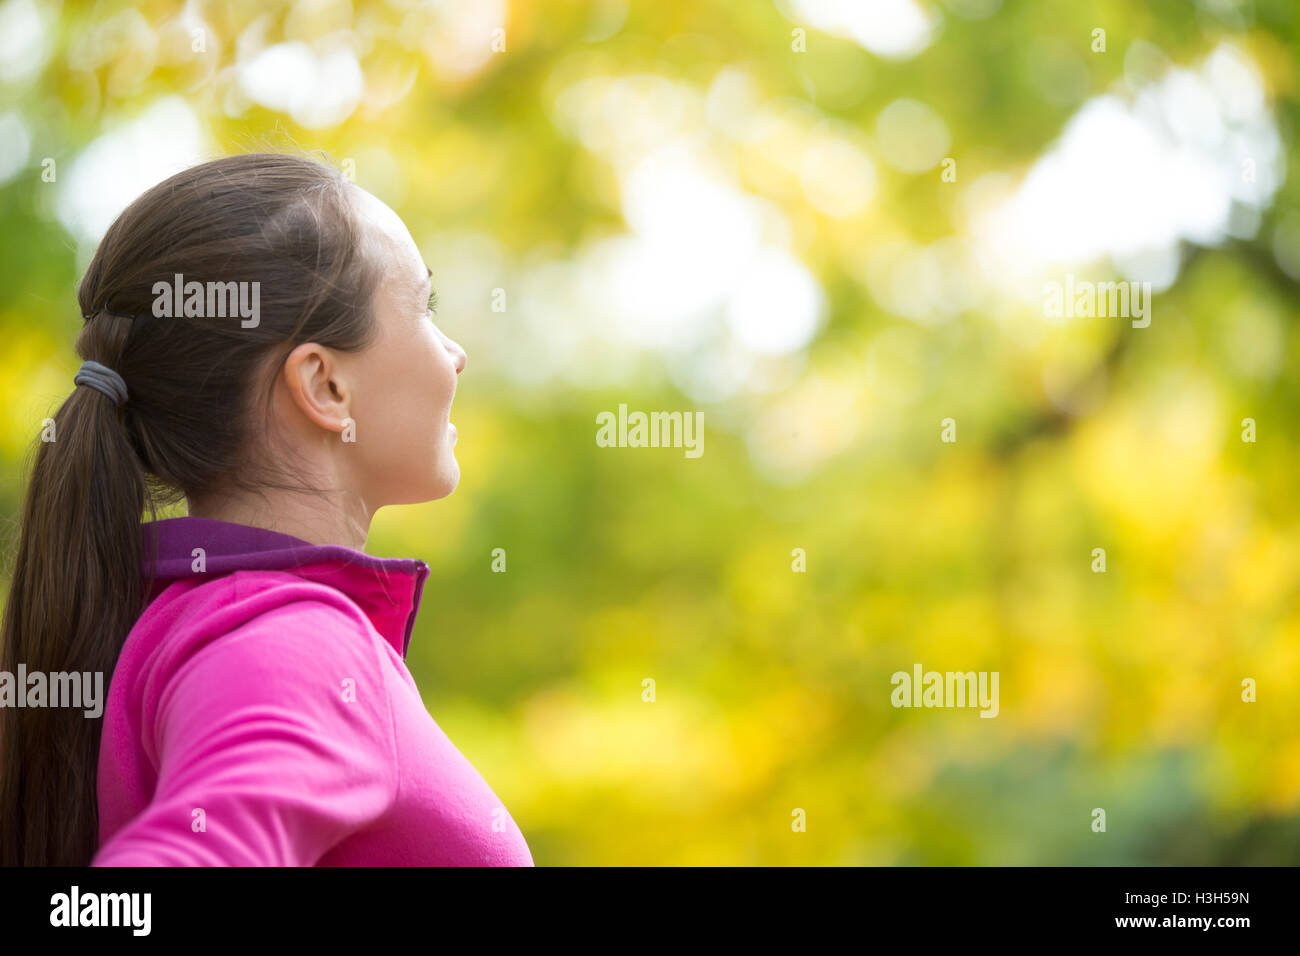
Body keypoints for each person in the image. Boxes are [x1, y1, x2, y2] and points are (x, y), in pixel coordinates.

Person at [0, 152, 533, 866]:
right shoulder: (300, 645)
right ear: (324, 386)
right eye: (425, 308)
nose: (456, 354)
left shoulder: (182, 621)